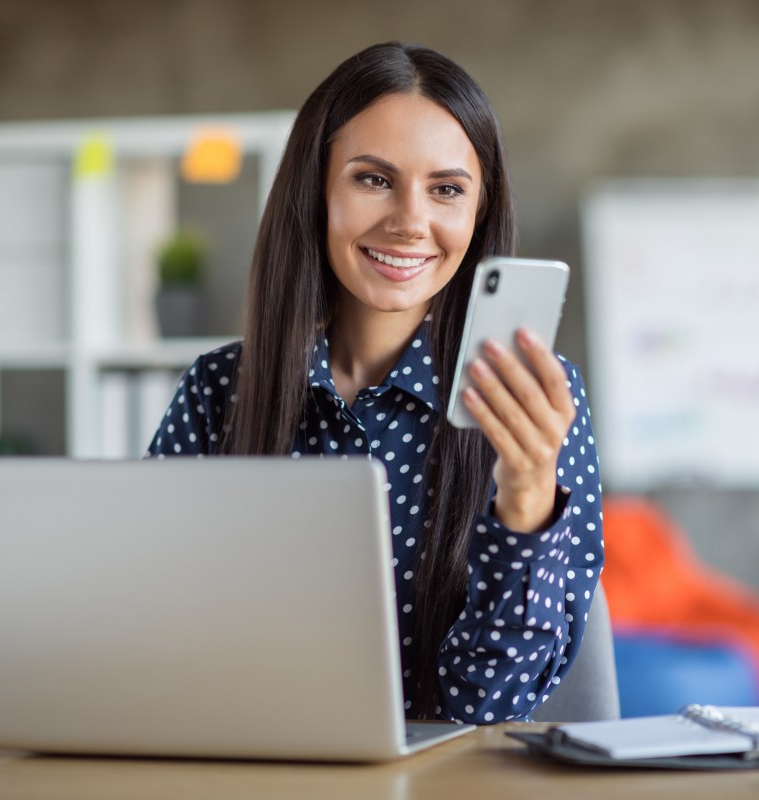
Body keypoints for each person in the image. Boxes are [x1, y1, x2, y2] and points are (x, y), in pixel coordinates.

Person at [146, 41, 603, 725]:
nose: (410, 221)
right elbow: (148, 636)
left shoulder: (534, 398)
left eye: (446, 189)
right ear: (317, 191)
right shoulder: (220, 389)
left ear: (478, 213)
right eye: (373, 179)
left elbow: (485, 706)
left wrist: (529, 495)